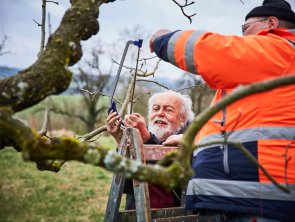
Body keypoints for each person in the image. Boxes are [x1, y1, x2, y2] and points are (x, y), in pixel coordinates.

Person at [149, 0, 295, 221]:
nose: (243, 36)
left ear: (272, 24)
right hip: (250, 198)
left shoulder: (279, 48)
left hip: (257, 200)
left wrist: (164, 39)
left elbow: (213, 51)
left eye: (245, 28)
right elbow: (238, 124)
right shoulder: (269, 70)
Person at [106, 90, 194, 209]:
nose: (160, 113)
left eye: (168, 110)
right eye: (155, 108)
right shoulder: (137, 136)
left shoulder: (192, 141)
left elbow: (171, 175)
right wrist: (120, 141)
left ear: (182, 118)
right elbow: (126, 187)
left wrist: (146, 140)